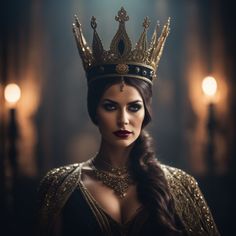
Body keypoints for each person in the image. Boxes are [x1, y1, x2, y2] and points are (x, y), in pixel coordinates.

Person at [37, 7, 220, 236]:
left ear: (146, 112)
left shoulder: (181, 186)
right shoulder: (58, 187)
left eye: (134, 107)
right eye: (110, 106)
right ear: (94, 111)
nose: (123, 119)